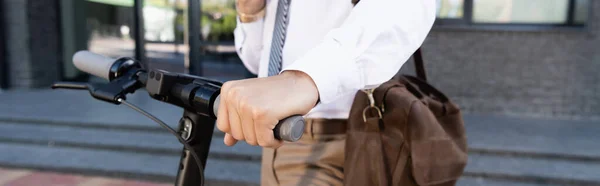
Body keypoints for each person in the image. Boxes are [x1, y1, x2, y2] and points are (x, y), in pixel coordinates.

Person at [216, 0, 437, 185]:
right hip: (285, 138)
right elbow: (258, 64)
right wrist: (249, 12)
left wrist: (305, 79)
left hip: (359, 134)